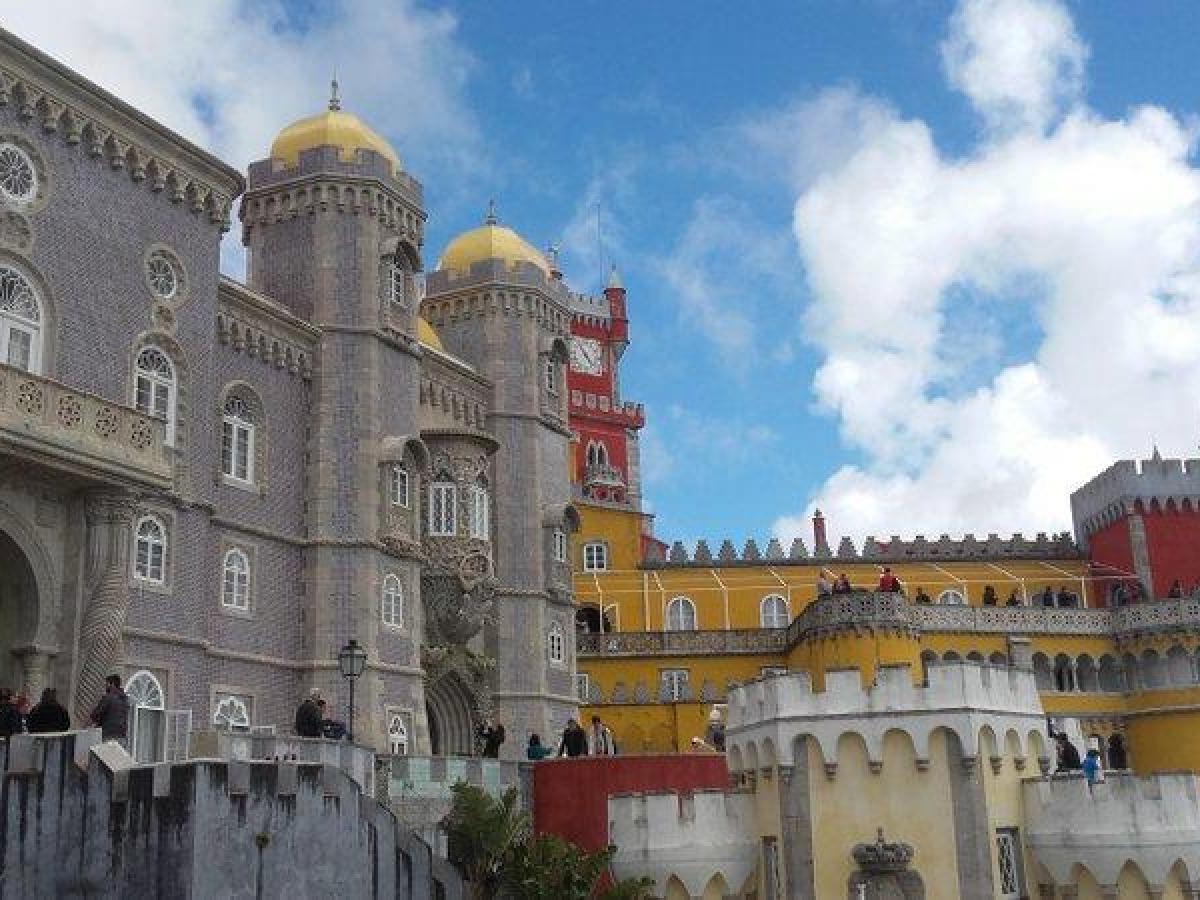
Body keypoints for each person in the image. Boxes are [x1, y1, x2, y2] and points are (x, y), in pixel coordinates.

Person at [89, 674, 129, 743]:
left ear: (112, 684)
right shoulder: (125, 699)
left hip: (109, 735)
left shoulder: (108, 698)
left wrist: (92, 723)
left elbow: (96, 714)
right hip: (122, 736)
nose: (105, 686)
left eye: (107, 684)